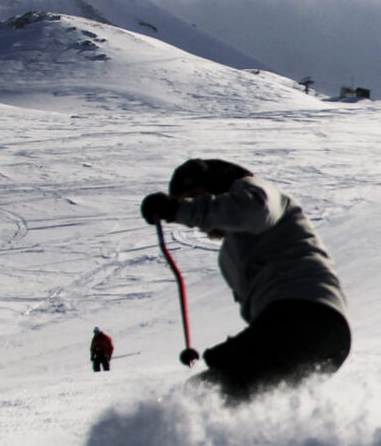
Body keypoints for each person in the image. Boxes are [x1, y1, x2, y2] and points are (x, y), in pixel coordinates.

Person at [140, 160, 351, 403]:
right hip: (323, 337)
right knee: (242, 396)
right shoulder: (231, 254)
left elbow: (254, 210)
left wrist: (178, 210)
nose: (196, 208)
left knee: (202, 395)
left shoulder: (254, 190)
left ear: (218, 186)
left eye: (197, 197)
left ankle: (167, 425)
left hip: (303, 315)